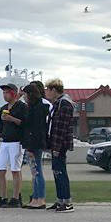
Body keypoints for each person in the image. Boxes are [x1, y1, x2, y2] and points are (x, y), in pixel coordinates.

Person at [0, 83, 28, 208]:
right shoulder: (3, 108)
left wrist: (12, 119)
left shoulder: (22, 107)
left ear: (14, 94)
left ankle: (16, 198)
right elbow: (0, 127)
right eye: (3, 92)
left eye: (7, 92)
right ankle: (3, 197)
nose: (4, 95)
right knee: (0, 170)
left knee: (15, 170)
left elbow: (25, 123)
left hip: (17, 142)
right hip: (5, 142)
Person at [45, 79, 75, 212]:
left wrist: (56, 147)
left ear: (54, 90)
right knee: (56, 172)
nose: (46, 92)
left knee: (61, 172)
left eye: (48, 89)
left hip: (60, 144)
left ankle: (67, 202)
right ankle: (60, 199)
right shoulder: (57, 103)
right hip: (55, 143)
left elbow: (61, 128)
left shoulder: (65, 104)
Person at [20, 83, 49, 209]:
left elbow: (36, 129)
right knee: (34, 172)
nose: (24, 97)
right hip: (30, 143)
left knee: (37, 171)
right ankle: (35, 197)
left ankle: (40, 198)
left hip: (35, 144)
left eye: (25, 94)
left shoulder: (38, 108)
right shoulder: (32, 107)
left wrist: (31, 147)